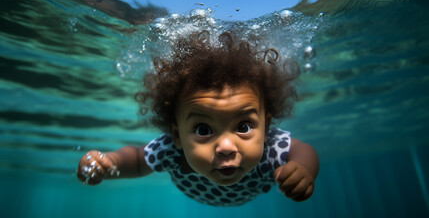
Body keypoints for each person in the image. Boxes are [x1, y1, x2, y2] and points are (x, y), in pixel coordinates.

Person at [77, 31, 319, 206]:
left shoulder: (269, 150)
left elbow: (303, 150)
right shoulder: (170, 150)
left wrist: (303, 169)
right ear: (177, 135)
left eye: (244, 127)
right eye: (203, 130)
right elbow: (140, 159)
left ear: (266, 128)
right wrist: (110, 162)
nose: (226, 147)